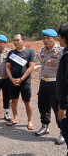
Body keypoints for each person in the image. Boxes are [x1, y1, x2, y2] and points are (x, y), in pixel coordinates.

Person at [35, 29, 65, 145]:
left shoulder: (61, 51)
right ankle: (45, 125)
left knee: (58, 108)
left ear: (55, 39)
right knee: (42, 105)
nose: (45, 40)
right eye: (44, 38)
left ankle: (63, 131)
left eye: (48, 38)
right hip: (43, 83)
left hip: (56, 84)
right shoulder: (42, 51)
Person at [5, 34, 35, 130]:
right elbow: (7, 68)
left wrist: (21, 79)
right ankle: (15, 118)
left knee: (27, 101)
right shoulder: (11, 53)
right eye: (14, 40)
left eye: (17, 40)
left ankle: (29, 121)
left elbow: (31, 67)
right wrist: (11, 79)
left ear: (23, 41)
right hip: (13, 81)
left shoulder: (30, 52)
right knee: (14, 100)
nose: (15, 42)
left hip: (25, 81)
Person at [56, 24, 68, 155]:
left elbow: (65, 83)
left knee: (66, 131)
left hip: (67, 104)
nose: (59, 40)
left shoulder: (66, 57)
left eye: (59, 37)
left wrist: (63, 106)